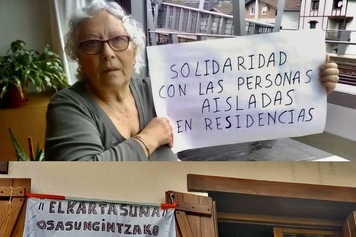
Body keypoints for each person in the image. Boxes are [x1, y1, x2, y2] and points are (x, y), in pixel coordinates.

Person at [44, 0, 341, 161]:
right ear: (78, 58)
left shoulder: (155, 89)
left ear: (134, 52)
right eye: (92, 44)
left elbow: (239, 105)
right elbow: (81, 176)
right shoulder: (68, 106)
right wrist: (148, 139)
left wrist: (307, 85)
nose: (107, 53)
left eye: (118, 40)